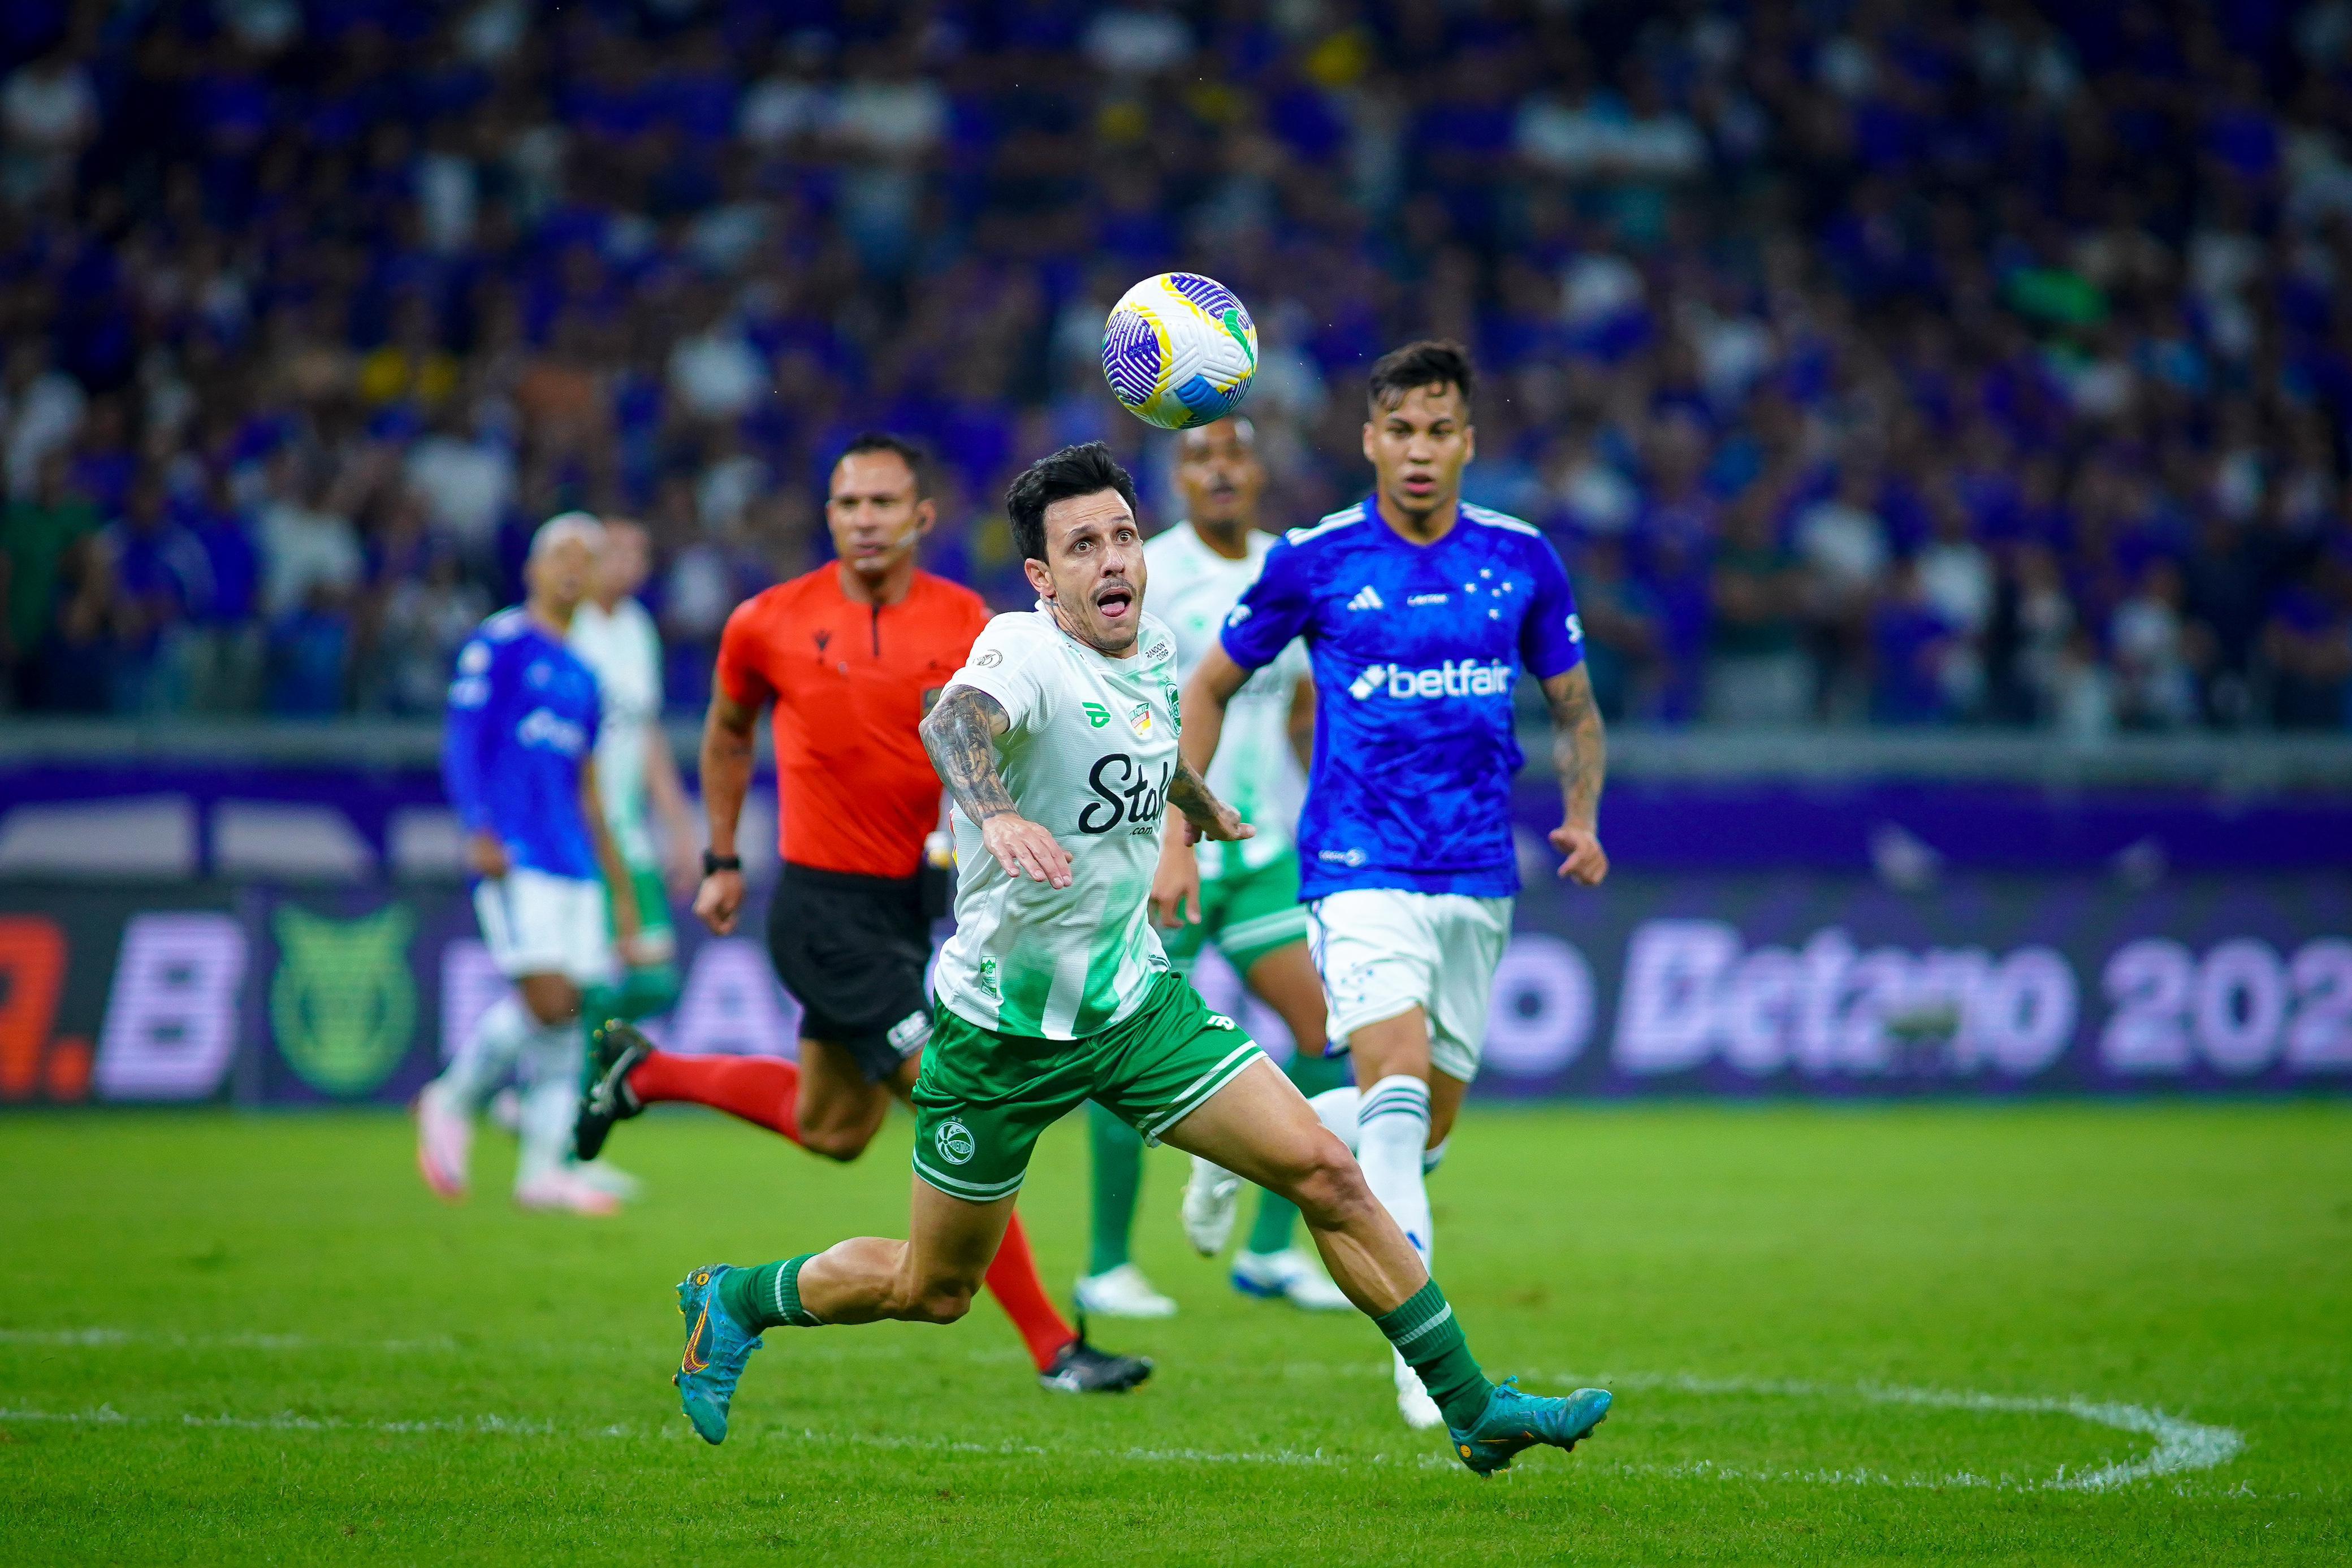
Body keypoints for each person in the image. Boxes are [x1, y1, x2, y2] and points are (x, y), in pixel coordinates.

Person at [662, 442, 1612, 1477]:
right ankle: (738, 1297)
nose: (1114, 559)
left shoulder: (1152, 645)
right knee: (932, 1288)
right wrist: (997, 811)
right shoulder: (1019, 649)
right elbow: (956, 720)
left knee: (1328, 1172)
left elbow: (1147, 750)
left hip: (1133, 1007)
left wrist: (1199, 804)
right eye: (1083, 546)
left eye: (1122, 535)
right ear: (1042, 577)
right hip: (1000, 1036)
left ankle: (1473, 1405)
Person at [574, 434, 1148, 1394]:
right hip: (822, 909)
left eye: (886, 503)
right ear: (830, 517)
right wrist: (721, 855)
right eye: (849, 505)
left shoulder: (971, 620)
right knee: (960, 1097)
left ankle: (648, 1069)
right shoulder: (769, 622)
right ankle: (1056, 1344)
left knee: (833, 1123)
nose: (867, 520)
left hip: (909, 903)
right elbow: (726, 728)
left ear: (922, 517)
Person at [1174, 341, 1611, 1430]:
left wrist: (1584, 816)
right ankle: (1431, 1367)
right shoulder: (1317, 560)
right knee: (1401, 1090)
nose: (1420, 450)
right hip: (1357, 869)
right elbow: (1211, 683)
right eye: (1400, 430)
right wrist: (1181, 819)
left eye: (1440, 430)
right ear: (1370, 438)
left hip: (1476, 875)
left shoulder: (1521, 558)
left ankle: (1251, 1151)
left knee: (1415, 1129)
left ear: (1468, 440)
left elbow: (1574, 706)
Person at [1073, 418, 1349, 1320]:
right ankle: (1106, 1265)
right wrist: (1161, 835)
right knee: (1125, 1052)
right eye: (1199, 459)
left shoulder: (1291, 568)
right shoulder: (1147, 574)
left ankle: (1270, 1251)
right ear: (1177, 480)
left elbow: (1302, 705)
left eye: (1233, 455)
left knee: (1326, 1028)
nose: (1220, 470)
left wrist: (1331, 814)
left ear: (1262, 471)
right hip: (1163, 847)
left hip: (1263, 847)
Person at [416, 513, 641, 1215]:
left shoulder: (583, 674)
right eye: (561, 555)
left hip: (572, 858)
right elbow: (462, 741)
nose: (575, 566)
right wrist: (477, 825)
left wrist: (618, 880)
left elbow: (588, 787)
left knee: (569, 1015)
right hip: (515, 851)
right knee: (548, 1000)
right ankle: (451, 1096)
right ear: (534, 570)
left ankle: (542, 1171)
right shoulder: (501, 642)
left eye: (587, 557)